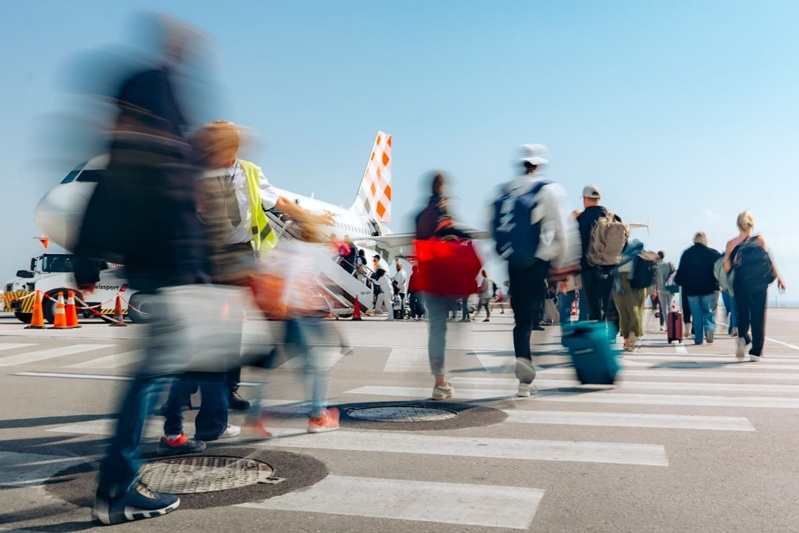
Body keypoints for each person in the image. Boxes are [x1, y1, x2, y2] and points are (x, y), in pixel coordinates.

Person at [72, 17, 206, 524]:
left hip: (153, 275)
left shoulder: (126, 154)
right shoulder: (167, 155)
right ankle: (116, 485)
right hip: (171, 277)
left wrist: (86, 261)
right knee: (149, 380)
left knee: (149, 378)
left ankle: (119, 479)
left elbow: (102, 203)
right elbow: (183, 218)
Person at [186, 120, 333, 412]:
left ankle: (228, 390)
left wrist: (312, 218)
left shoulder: (250, 172)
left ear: (233, 147)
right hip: (205, 255)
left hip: (241, 254)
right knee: (204, 328)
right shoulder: (197, 174)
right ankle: (185, 390)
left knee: (232, 329)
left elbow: (278, 200)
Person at [490, 145, 580, 397]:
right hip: (538, 264)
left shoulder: (505, 191)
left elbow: (494, 229)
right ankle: (527, 378)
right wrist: (565, 267)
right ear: (539, 164)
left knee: (521, 323)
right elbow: (564, 229)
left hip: (514, 263)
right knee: (536, 320)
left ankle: (523, 376)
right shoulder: (548, 190)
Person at [415, 172, 472, 400]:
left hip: (428, 278)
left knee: (436, 329)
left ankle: (439, 381)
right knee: (450, 329)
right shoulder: (446, 213)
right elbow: (458, 241)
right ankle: (442, 379)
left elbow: (418, 247)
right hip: (446, 277)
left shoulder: (420, 216)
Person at [724, 211, 786, 360]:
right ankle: (756, 351)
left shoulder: (731, 244)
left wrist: (727, 256)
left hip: (741, 284)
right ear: (752, 224)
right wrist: (779, 278)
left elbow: (727, 267)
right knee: (758, 317)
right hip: (759, 285)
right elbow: (768, 260)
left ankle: (743, 337)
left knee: (742, 313)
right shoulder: (759, 239)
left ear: (738, 224)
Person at [576, 185, 624, 332]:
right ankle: (611, 336)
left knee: (594, 308)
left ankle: (598, 337)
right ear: (599, 198)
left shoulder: (581, 219)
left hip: (589, 268)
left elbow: (576, 246)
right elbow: (624, 243)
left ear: (584, 199)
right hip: (610, 267)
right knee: (609, 304)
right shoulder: (613, 218)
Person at [675, 232, 722, 345]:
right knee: (708, 311)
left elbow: (681, 272)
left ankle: (699, 338)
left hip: (692, 290)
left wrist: (679, 281)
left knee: (696, 315)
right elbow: (720, 269)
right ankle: (710, 329)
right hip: (709, 289)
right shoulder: (713, 254)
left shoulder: (687, 253)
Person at [612, 240, 647, 351]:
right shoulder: (639, 248)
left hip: (620, 282)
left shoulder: (614, 249)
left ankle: (627, 340)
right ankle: (633, 336)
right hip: (638, 281)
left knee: (623, 312)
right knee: (636, 309)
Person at [655, 251, 676, 332]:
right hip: (670, 289)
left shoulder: (656, 266)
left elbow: (655, 278)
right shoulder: (669, 264)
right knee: (671, 308)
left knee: (664, 309)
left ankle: (668, 326)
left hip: (661, 289)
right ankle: (673, 325)